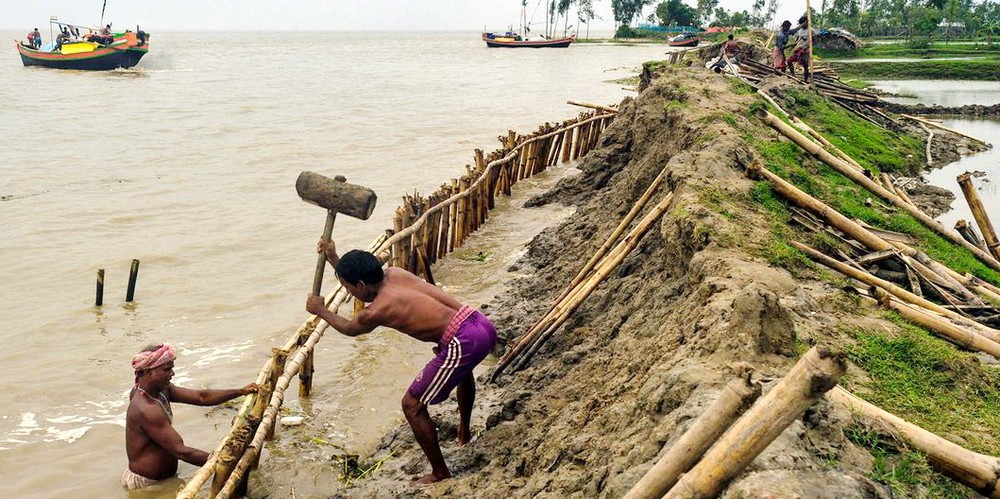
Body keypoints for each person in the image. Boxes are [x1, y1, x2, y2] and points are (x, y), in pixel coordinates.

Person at [305, 239, 497, 485]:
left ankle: (440, 473)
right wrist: (334, 258)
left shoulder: (376, 310)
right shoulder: (395, 273)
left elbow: (351, 328)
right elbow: (360, 276)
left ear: (361, 284)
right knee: (462, 370)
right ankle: (464, 434)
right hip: (478, 322)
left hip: (465, 339)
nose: (350, 293)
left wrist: (321, 310)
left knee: (412, 405)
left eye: (348, 288)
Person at [123, 343, 258, 491]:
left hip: (165, 479)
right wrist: (225, 461)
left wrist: (240, 391)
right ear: (148, 372)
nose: (172, 373)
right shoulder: (145, 408)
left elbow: (201, 397)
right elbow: (180, 451)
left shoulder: (162, 390)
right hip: (148, 486)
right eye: (167, 369)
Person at [786, 16, 815, 82]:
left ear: (806, 23)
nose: (802, 25)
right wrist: (793, 46)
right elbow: (797, 39)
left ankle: (806, 79)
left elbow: (814, 41)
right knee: (789, 61)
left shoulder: (811, 30)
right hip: (798, 49)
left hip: (805, 50)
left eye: (803, 23)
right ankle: (793, 75)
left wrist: (808, 47)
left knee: (805, 65)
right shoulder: (800, 30)